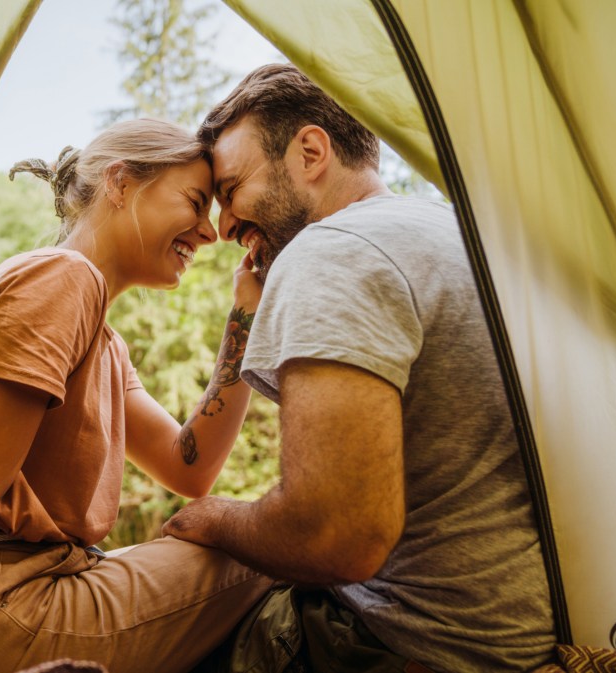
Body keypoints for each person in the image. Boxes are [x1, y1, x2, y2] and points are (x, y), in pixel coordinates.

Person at [162, 63, 556, 672]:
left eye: (233, 189)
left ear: (311, 152)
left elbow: (335, 535)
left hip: (399, 645)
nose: (228, 225)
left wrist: (218, 519)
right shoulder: (462, 229)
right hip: (514, 634)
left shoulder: (332, 252)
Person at [0, 118, 274, 673]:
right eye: (194, 202)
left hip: (31, 592)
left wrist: (246, 314)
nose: (209, 231)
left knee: (256, 536)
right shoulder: (61, 281)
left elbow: (189, 468)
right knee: (279, 544)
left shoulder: (103, 340)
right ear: (119, 183)